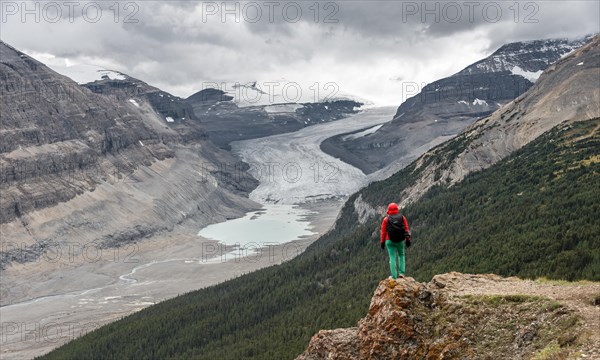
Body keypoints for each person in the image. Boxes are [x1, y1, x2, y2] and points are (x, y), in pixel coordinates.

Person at [380, 202, 411, 279]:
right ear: (397, 209)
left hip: (389, 241)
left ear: (388, 210)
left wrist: (382, 242)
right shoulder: (402, 217)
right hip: (400, 240)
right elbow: (406, 229)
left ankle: (394, 276)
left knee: (392, 257)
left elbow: (383, 232)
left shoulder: (386, 219)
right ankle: (401, 273)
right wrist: (408, 239)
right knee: (401, 255)